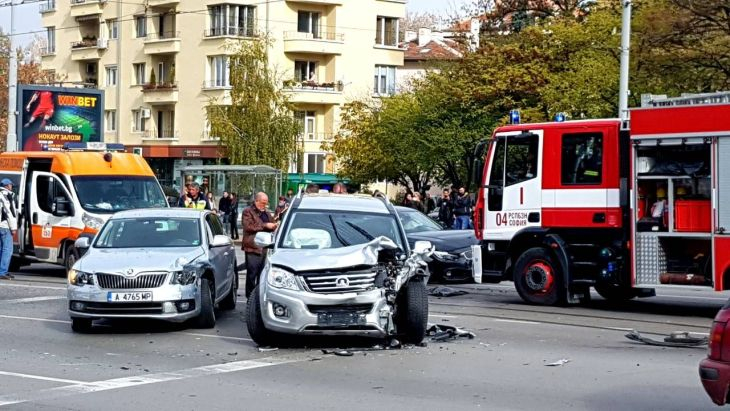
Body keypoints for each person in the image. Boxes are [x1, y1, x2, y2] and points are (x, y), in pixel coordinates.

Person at [243, 192, 278, 297]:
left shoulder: (266, 213)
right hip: (253, 246)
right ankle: (250, 297)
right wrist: (265, 225)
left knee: (262, 275)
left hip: (265, 247)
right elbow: (248, 227)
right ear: (256, 201)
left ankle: (259, 296)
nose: (264, 205)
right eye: (263, 203)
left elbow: (271, 223)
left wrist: (275, 224)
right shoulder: (248, 211)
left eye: (266, 203)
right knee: (252, 274)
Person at [0, 179, 18, 280]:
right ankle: (2, 271)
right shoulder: (7, 195)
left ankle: (2, 270)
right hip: (5, 226)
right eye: (11, 185)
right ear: (7, 186)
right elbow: (9, 213)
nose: (12, 186)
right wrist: (13, 228)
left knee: (1, 249)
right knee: (7, 250)